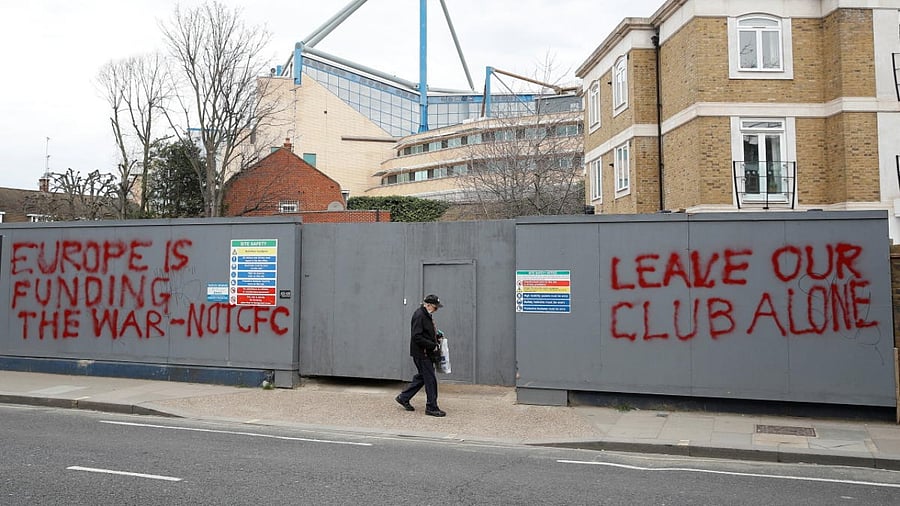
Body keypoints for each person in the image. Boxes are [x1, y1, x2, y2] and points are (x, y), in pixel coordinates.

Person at [395, 294, 446, 417]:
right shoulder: (420, 315)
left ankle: (404, 397)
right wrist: (432, 345)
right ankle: (431, 407)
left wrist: (436, 336)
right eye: (435, 307)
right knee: (430, 380)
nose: (436, 310)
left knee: (423, 377)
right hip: (423, 354)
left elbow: (425, 332)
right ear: (428, 305)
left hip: (424, 353)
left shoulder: (426, 315)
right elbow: (417, 336)